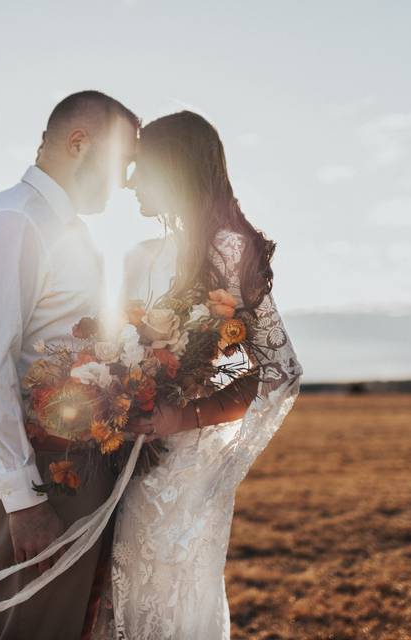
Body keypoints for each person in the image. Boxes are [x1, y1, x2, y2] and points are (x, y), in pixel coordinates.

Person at [97, 111, 304, 639]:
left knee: (168, 601)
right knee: (120, 601)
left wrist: (179, 418)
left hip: (183, 470)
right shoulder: (143, 256)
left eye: (140, 167)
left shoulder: (227, 249)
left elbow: (271, 372)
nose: (129, 181)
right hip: (129, 455)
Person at [0, 90, 139, 639]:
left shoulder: (65, 228)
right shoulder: (12, 222)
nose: (126, 179)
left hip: (75, 470)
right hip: (43, 476)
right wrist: (25, 500)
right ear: (79, 145)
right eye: (122, 160)